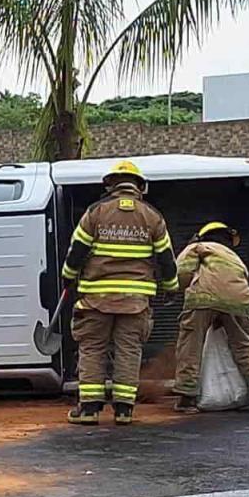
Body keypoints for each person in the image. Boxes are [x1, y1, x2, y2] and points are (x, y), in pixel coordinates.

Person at [60, 160, 179, 425]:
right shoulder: (153, 216)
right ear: (140, 187)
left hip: (95, 299)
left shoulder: (95, 212)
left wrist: (67, 277)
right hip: (135, 302)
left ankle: (89, 410)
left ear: (110, 185)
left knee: (92, 349)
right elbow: (167, 259)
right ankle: (124, 411)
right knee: (129, 351)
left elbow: (76, 251)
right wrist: (171, 288)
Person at [172, 222, 249, 414]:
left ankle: (186, 399)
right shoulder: (234, 257)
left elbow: (181, 272)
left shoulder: (198, 247)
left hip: (203, 299)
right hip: (239, 303)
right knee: (245, 348)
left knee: (191, 347)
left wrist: (175, 290)